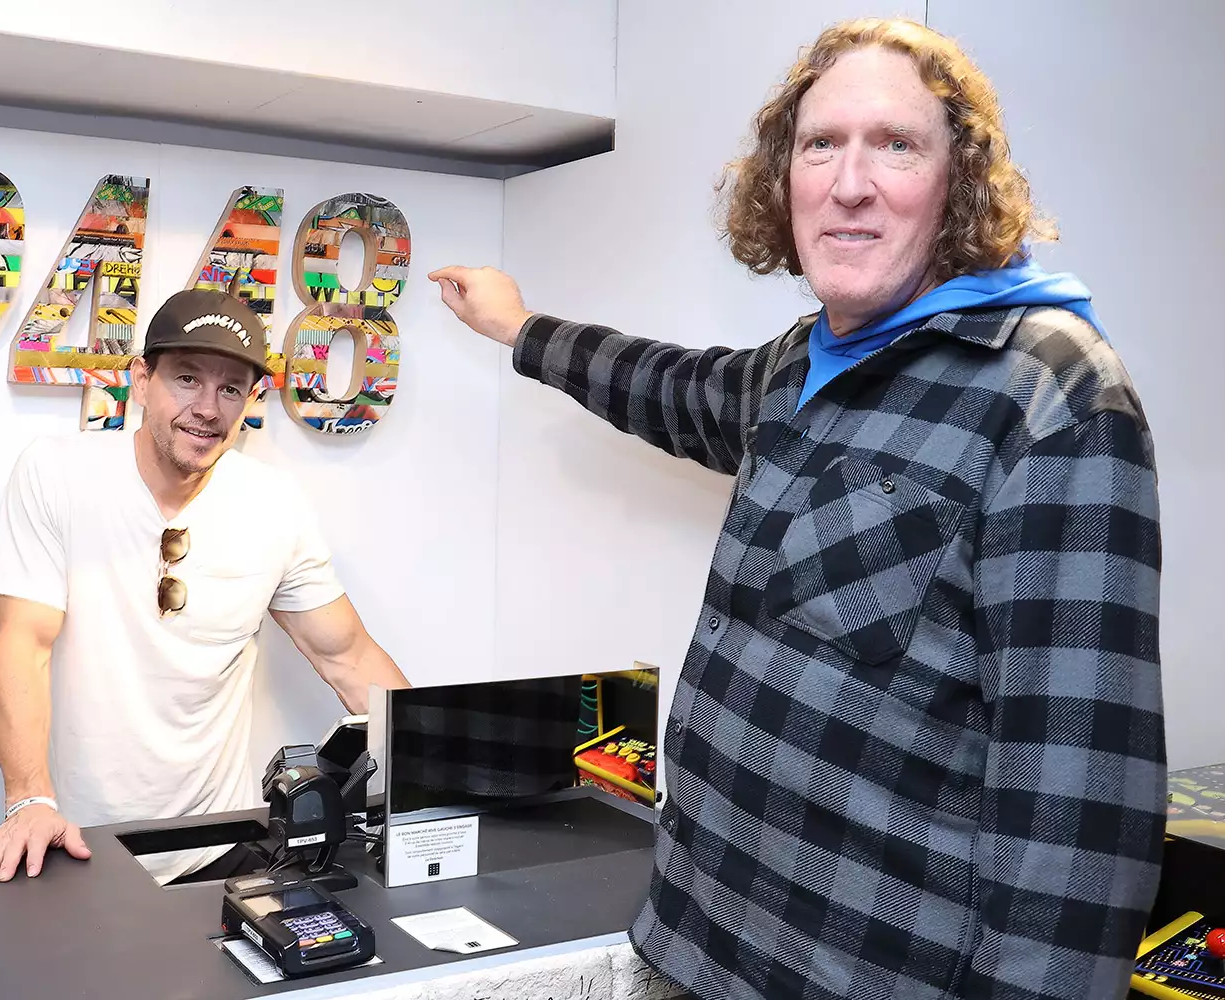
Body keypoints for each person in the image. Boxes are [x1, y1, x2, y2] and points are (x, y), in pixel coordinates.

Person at [430, 17, 1165, 1000]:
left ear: (958, 182)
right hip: (698, 943)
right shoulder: (798, 363)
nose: (849, 182)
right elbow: (670, 386)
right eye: (822, 144)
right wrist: (519, 328)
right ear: (784, 177)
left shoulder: (1049, 395)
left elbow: (1081, 810)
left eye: (895, 144)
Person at [0, 288, 410, 886]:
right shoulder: (57, 473)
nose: (207, 407)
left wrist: (441, 770)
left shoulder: (273, 504)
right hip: (72, 841)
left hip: (217, 849)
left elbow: (348, 657)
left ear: (250, 401)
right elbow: (23, 642)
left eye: (230, 388)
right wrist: (28, 800)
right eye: (187, 378)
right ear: (141, 380)